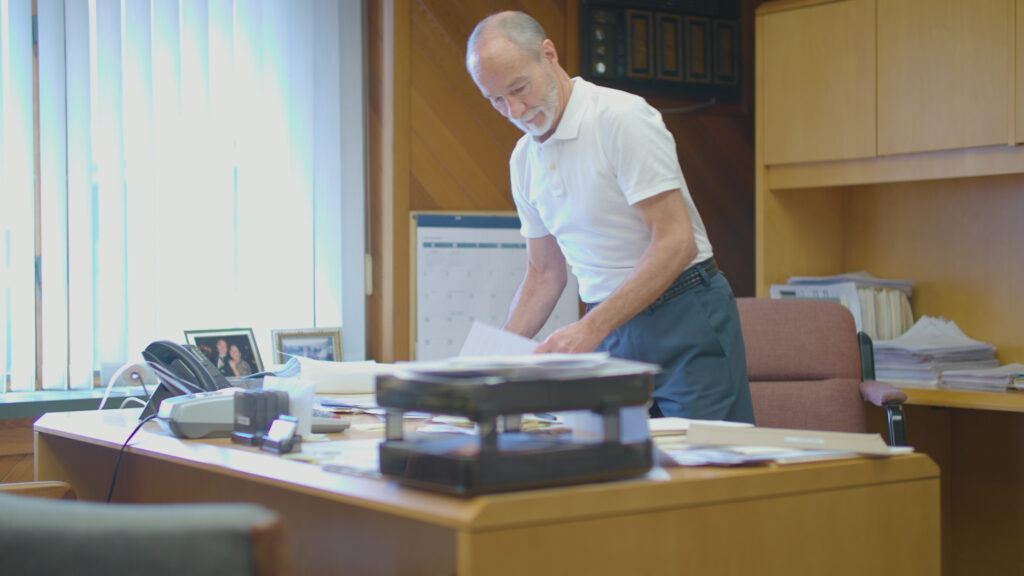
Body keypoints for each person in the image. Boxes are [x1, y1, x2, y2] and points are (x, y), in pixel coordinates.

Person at [465, 11, 754, 423]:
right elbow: (545, 274)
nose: (514, 110)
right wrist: (490, 360)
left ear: (549, 55)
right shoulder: (523, 160)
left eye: (519, 88)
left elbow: (675, 241)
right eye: (495, 100)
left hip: (683, 309)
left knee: (706, 469)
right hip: (608, 323)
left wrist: (591, 327)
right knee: (613, 470)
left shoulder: (620, 118)